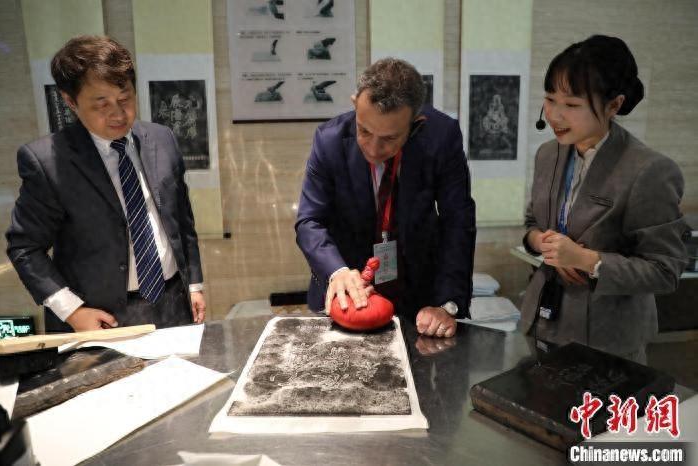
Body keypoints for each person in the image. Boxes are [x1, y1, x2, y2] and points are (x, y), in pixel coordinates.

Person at [6, 35, 206, 332]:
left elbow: (182, 221)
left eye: (125, 99)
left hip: (174, 301)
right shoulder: (47, 161)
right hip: (100, 316)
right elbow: (25, 248)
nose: (118, 114)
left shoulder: (161, 139)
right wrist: (73, 311)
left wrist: (194, 284)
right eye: (101, 104)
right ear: (70, 101)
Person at [520, 35, 688, 362]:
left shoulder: (649, 170)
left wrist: (586, 260)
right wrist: (540, 241)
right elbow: (531, 223)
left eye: (571, 105)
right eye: (550, 100)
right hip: (541, 324)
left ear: (614, 105)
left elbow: (665, 270)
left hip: (608, 342)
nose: (554, 115)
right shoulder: (548, 154)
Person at [295, 58, 476, 338]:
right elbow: (309, 221)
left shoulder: (441, 138)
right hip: (346, 294)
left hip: (417, 298)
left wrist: (447, 303)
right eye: (364, 130)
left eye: (390, 138)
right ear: (355, 104)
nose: (373, 148)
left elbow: (458, 221)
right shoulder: (329, 141)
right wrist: (336, 271)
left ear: (416, 124)